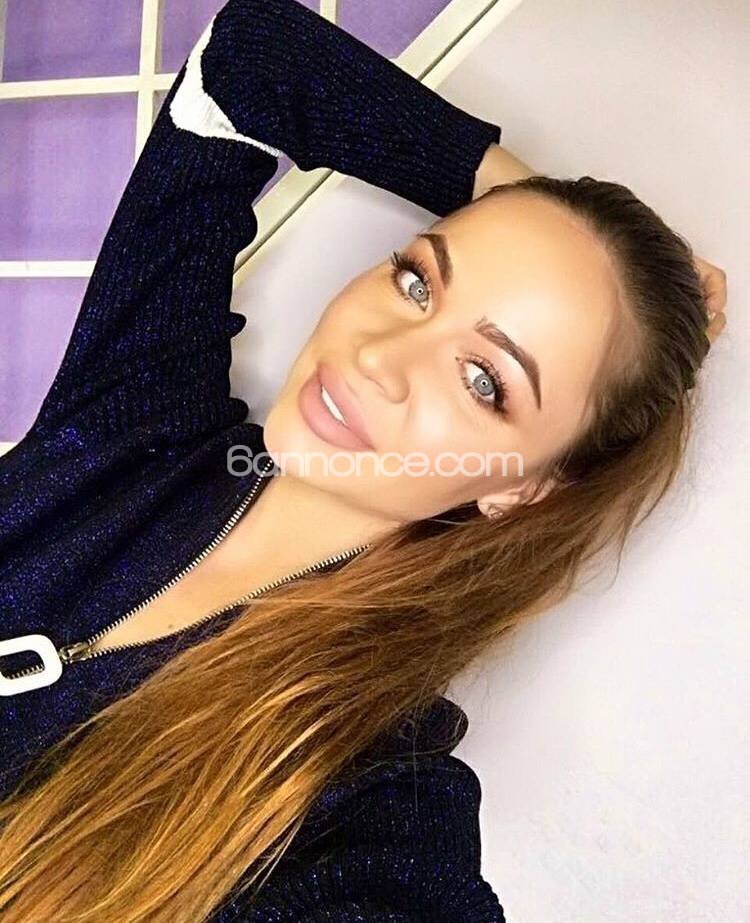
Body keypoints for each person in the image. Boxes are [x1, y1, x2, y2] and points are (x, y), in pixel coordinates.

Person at [0, 0, 727, 920]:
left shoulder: (375, 795)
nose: (379, 356)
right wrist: (538, 208)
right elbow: (250, 62)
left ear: (524, 488)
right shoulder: (141, 420)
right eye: (418, 280)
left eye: (485, 379)